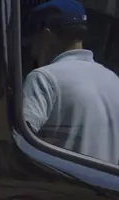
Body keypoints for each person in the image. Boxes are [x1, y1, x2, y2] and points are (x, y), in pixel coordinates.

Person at [23, 0, 119, 164]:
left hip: (58, 187)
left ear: (46, 36)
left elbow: (19, 144)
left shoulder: (44, 78)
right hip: (105, 187)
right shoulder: (114, 81)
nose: (32, 52)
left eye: (34, 42)